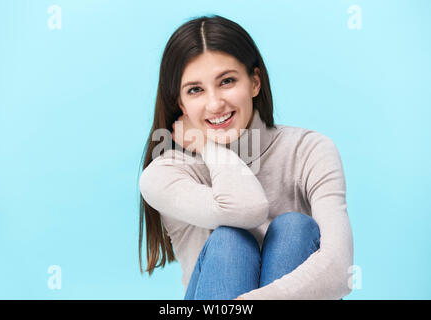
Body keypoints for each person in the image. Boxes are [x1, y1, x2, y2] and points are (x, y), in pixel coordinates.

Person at [138, 14, 354, 300]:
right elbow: (247, 209)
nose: (215, 103)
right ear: (181, 104)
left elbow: (340, 270)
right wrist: (208, 147)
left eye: (227, 81)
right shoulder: (165, 173)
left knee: (295, 228)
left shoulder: (310, 150)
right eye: (195, 90)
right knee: (231, 239)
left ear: (254, 82)